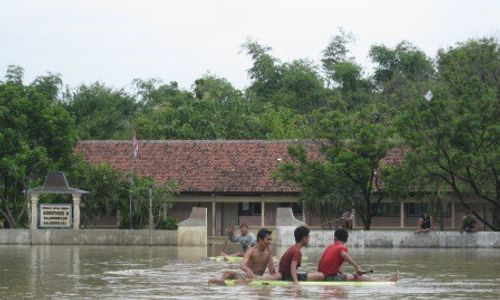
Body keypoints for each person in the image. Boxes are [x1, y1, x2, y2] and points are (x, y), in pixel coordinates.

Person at [318, 228, 399, 282]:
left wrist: (339, 273)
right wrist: (358, 267)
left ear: (334, 238)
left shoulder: (329, 247)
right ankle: (387, 281)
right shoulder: (341, 248)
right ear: (346, 239)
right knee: (359, 277)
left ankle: (386, 280)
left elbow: (322, 264)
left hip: (322, 275)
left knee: (348, 275)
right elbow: (344, 255)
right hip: (329, 278)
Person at [209, 228, 280, 285]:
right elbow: (242, 264)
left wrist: (277, 274)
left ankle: (244, 282)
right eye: (268, 239)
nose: (270, 242)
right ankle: (220, 282)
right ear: (260, 239)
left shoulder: (269, 249)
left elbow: (271, 269)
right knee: (227, 273)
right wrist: (248, 270)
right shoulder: (251, 250)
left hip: (259, 278)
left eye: (271, 239)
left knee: (279, 275)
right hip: (247, 275)